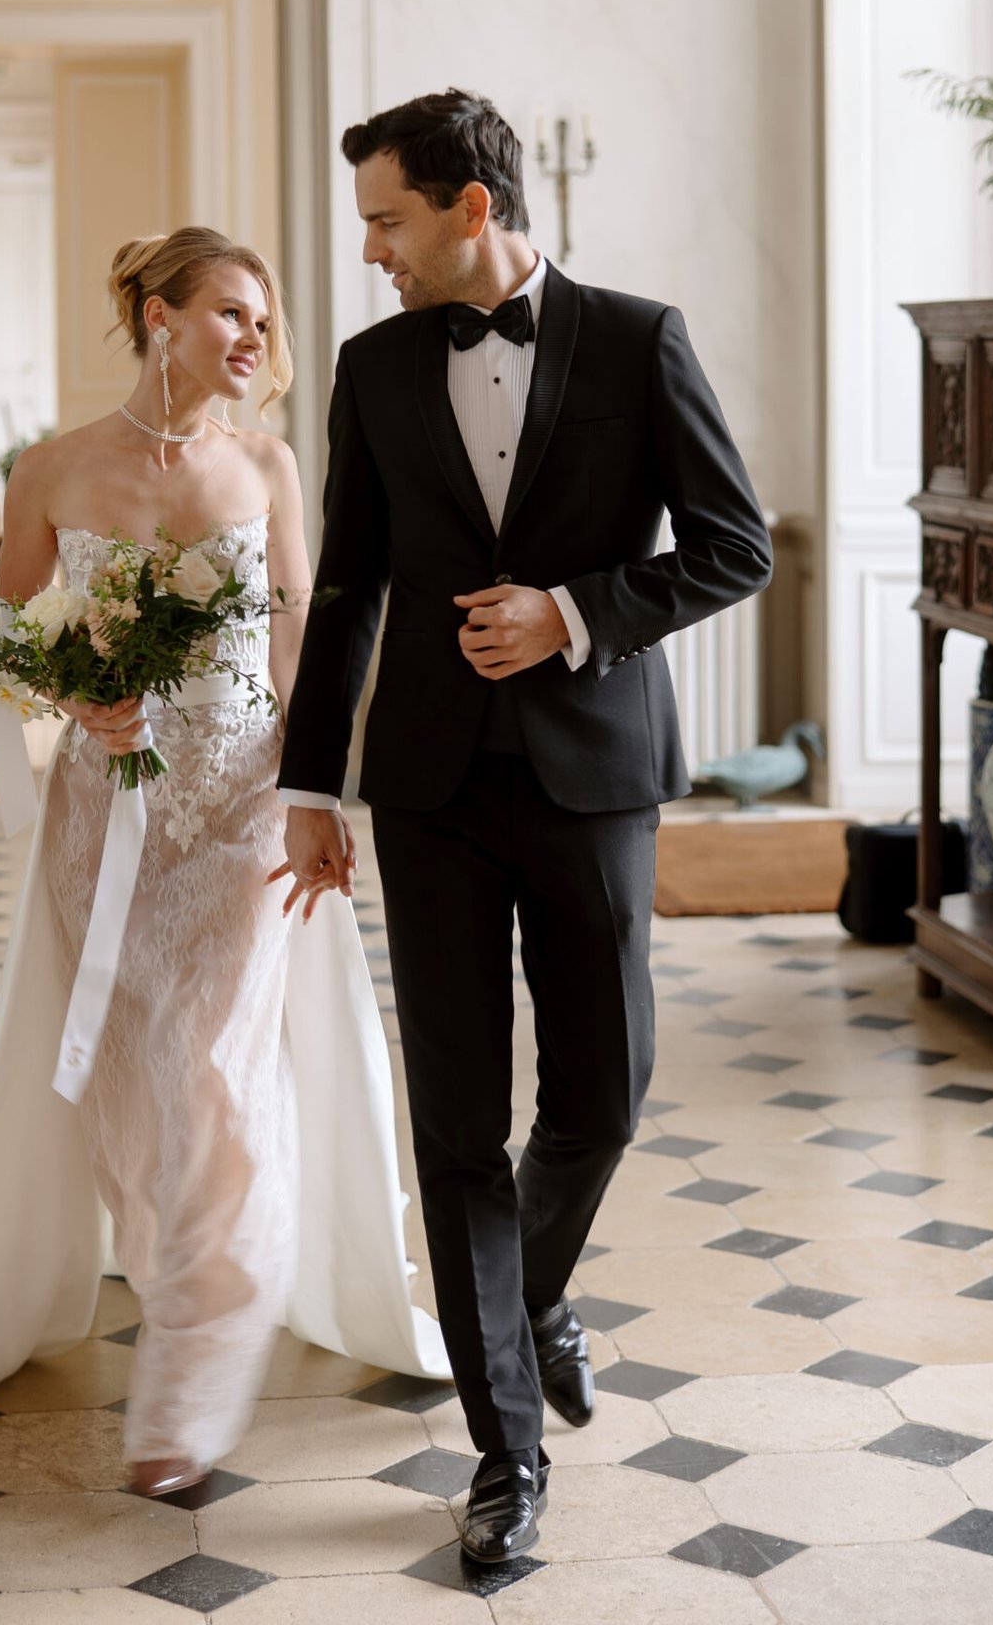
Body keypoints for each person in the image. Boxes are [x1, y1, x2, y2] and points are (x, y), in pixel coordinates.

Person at [0, 226, 444, 1501]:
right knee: (137, 1084)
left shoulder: (269, 464)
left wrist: (319, 795)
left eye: (264, 321)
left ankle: (185, 1395)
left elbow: (303, 648)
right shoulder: (54, 468)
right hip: (106, 828)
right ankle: (173, 1258)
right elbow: (5, 637)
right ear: (155, 314)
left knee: (215, 1074)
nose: (257, 341)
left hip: (244, 816)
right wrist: (79, 698)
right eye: (233, 314)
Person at [275, 89, 772, 1565]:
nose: (370, 250)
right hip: (426, 788)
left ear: (470, 209)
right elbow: (350, 589)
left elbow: (733, 544)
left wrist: (575, 615)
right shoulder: (370, 369)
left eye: (386, 219)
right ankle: (505, 1455)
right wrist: (312, 788)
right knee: (455, 1122)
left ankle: (532, 1292)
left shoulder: (638, 338)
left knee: (605, 1093)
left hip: (596, 775)